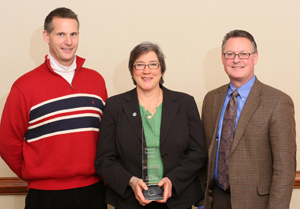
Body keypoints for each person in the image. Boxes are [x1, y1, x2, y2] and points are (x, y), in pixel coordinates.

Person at [0, 7, 107, 209]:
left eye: (73, 34)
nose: (68, 41)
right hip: (45, 196)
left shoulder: (96, 81)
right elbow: (7, 142)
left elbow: (107, 134)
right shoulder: (24, 86)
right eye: (61, 34)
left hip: (93, 191)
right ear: (46, 36)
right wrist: (32, 171)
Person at [95, 41, 206, 209]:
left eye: (153, 64)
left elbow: (198, 153)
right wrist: (131, 182)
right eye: (139, 65)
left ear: (161, 69)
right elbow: (104, 160)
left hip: (177, 200)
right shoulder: (115, 106)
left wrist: (172, 181)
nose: (146, 70)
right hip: (130, 201)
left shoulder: (185, 103)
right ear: (132, 71)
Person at [198, 30, 296, 209]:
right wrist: (202, 201)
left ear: (255, 57)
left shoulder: (278, 101)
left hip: (257, 203)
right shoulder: (211, 99)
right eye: (230, 54)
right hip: (216, 200)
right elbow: (205, 154)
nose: (236, 60)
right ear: (222, 58)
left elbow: (285, 169)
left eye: (244, 54)